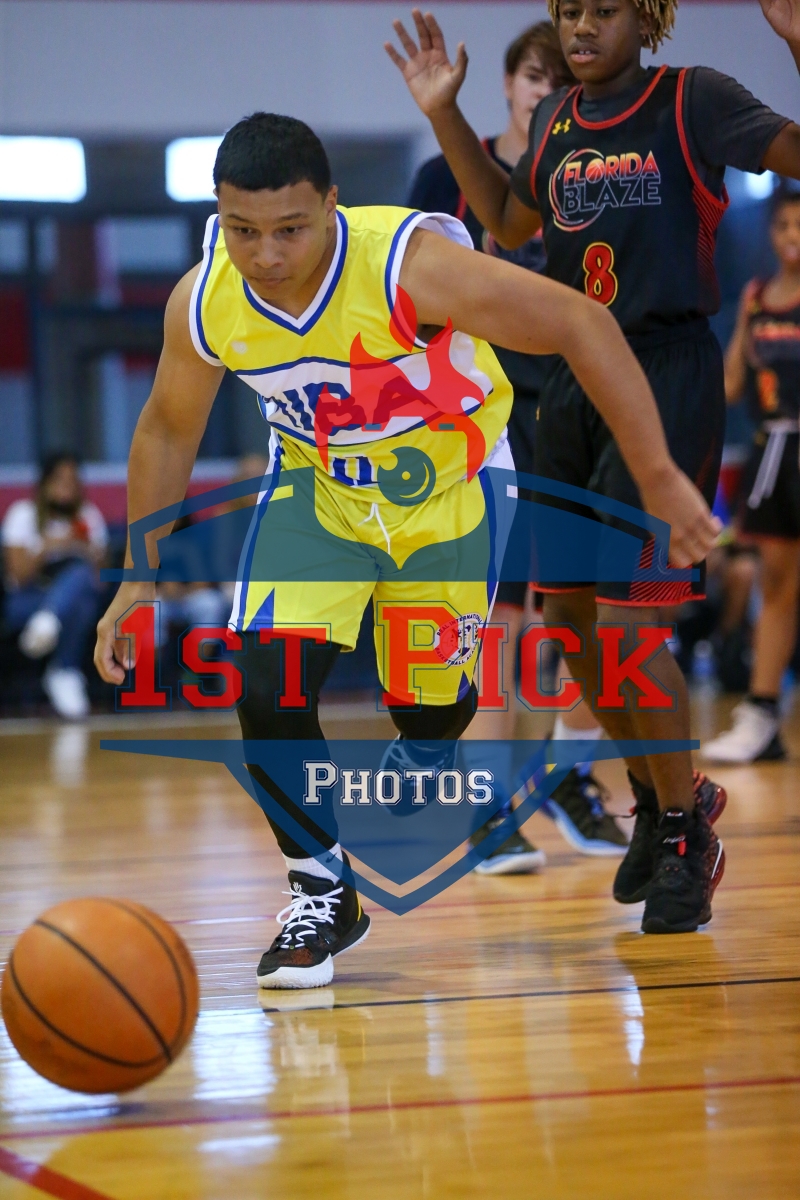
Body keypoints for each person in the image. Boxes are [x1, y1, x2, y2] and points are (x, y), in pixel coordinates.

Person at [94, 112, 718, 989]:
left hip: (449, 498)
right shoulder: (205, 300)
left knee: (428, 708)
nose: (265, 254)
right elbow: (166, 427)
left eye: (290, 229)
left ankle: (427, 745)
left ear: (333, 206)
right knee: (266, 682)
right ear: (218, 215)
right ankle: (322, 892)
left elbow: (582, 322)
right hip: (318, 495)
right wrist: (137, 575)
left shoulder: (407, 266)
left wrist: (658, 474)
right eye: (242, 230)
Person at [383, 0, 799, 934]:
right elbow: (504, 216)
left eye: (601, 11)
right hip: (573, 381)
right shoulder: (559, 119)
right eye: (568, 11)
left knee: (626, 624)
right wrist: (445, 114)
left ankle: (686, 833)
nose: (579, 27)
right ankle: (661, 797)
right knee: (567, 622)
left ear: (644, 18)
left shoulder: (692, 99)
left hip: (664, 372)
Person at [409, 21, 624, 872]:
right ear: (506, 84)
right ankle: (487, 808)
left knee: (572, 614)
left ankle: (558, 777)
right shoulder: (445, 179)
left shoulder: (592, 173)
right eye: (535, 77)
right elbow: (406, 300)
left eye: (559, 80)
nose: (546, 92)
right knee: (495, 620)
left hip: (573, 405)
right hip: (474, 414)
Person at [703, 186, 800, 763]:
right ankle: (763, 714)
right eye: (785, 226)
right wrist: (742, 321)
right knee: (777, 583)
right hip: (773, 453)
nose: (793, 237)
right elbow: (732, 385)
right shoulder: (757, 298)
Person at [2, 452, 108, 719]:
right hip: (27, 601)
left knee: (82, 584)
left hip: (72, 603)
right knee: (79, 602)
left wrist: (84, 549)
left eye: (72, 481)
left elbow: (100, 580)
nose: (66, 487)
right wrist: (47, 547)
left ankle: (59, 653)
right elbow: (17, 577)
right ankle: (64, 668)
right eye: (59, 480)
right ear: (45, 483)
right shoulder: (22, 514)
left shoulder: (88, 516)